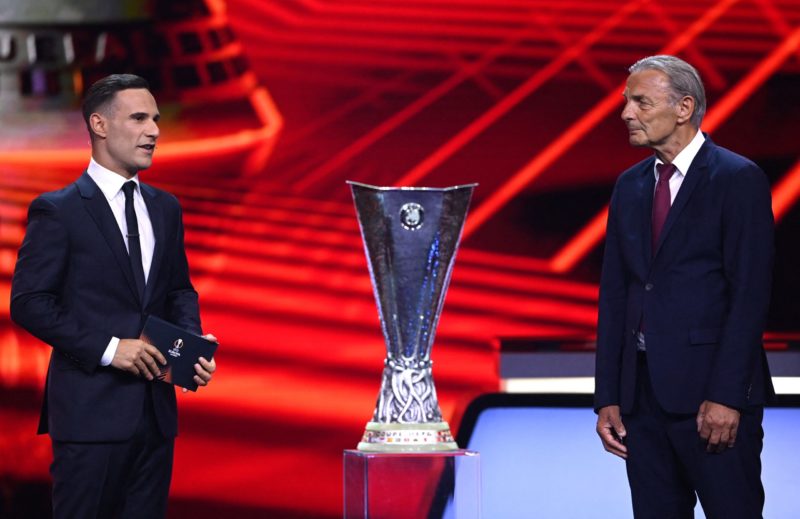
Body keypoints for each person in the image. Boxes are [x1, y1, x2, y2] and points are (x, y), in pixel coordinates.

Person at [10, 74, 217, 519]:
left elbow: (178, 289)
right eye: (140, 118)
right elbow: (29, 301)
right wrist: (110, 350)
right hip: (89, 415)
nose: (155, 131)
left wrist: (191, 348)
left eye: (157, 119)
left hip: (156, 417)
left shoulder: (166, 208)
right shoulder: (59, 209)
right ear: (99, 125)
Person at [594, 55, 774, 518]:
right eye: (626, 102)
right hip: (641, 401)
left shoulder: (737, 179)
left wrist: (728, 396)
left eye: (640, 102)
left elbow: (749, 295)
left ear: (684, 107)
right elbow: (616, 292)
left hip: (712, 399)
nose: (626, 114)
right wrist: (609, 396)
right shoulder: (629, 186)